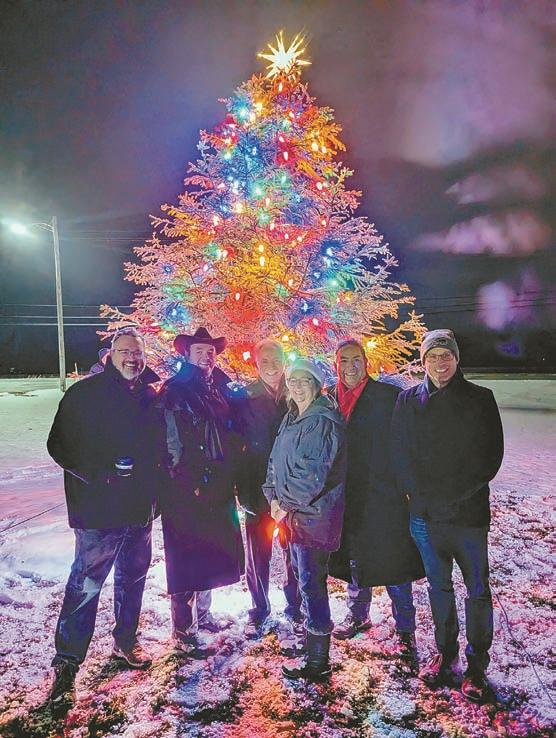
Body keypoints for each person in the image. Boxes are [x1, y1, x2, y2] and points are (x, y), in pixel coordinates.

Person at [46, 328, 163, 704]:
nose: (132, 358)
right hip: (98, 512)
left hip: (139, 511)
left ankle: (125, 641)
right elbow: (58, 444)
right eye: (125, 351)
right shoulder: (85, 394)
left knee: (132, 580)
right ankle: (67, 664)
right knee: (85, 586)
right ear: (109, 354)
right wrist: (99, 474)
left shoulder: (150, 396)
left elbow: (160, 448)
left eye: (137, 353)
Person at [391, 329, 504, 701]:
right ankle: (445, 653)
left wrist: (453, 497)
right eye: (433, 357)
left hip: (468, 516)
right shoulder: (408, 401)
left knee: (477, 590)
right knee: (438, 587)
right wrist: (418, 496)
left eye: (446, 356)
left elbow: (490, 458)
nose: (440, 363)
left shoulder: (480, 399)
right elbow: (399, 453)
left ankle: (477, 666)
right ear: (423, 362)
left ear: (456, 359)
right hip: (425, 517)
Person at [328, 340, 424, 654]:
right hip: (346, 493)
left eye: (356, 359)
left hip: (383, 492)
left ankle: (405, 626)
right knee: (354, 555)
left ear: (366, 362)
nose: (351, 367)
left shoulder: (388, 396)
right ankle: (358, 615)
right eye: (344, 361)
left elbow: (407, 441)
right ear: (336, 365)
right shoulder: (328, 398)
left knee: (393, 558)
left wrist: (405, 484)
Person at [160, 327, 244, 652]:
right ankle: (183, 630)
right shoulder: (175, 391)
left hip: (217, 484)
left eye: (210, 352)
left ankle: (204, 615)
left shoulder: (219, 387)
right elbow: (171, 442)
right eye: (200, 352)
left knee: (209, 551)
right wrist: (187, 482)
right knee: (186, 558)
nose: (207, 357)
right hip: (186, 488)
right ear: (187, 354)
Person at [264, 358, 346, 681]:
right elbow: (275, 461)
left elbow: (312, 475)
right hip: (292, 517)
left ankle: (318, 661)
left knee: (312, 585)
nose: (297, 386)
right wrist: (272, 496)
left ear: (317, 385)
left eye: (304, 381)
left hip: (314, 518)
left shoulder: (322, 421)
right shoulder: (292, 417)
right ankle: (313, 645)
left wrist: (283, 503)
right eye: (293, 381)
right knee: (304, 580)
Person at [236, 339, 302, 637]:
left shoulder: (297, 392)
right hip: (256, 488)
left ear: (284, 361)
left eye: (276, 359)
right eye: (264, 360)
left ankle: (296, 606)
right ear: (256, 364)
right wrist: (241, 488)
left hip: (291, 489)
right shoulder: (244, 397)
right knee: (258, 554)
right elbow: (235, 444)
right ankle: (259, 608)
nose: (271, 365)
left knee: (294, 552)